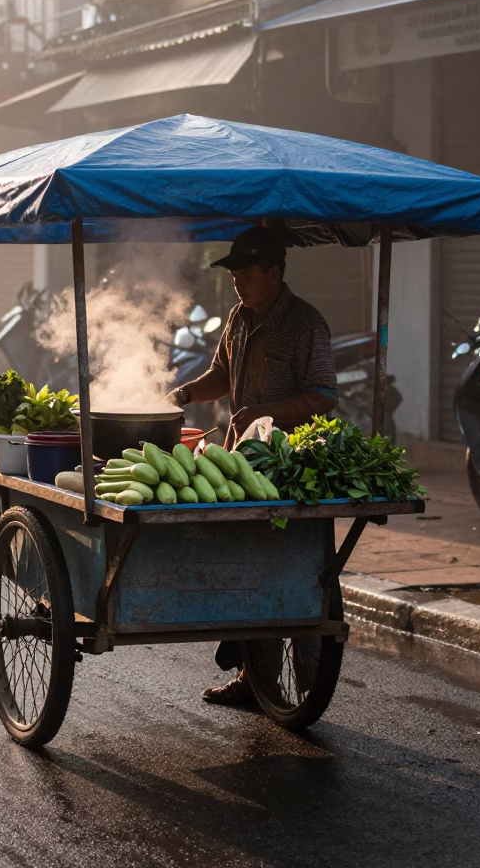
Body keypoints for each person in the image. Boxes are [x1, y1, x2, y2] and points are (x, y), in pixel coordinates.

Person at [167, 226, 338, 706]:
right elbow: (221, 375)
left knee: (298, 571)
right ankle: (251, 676)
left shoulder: (306, 324)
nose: (238, 284)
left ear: (275, 273)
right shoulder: (238, 318)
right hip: (245, 466)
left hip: (291, 465)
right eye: (235, 275)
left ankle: (307, 687)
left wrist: (267, 413)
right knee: (248, 564)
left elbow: (323, 396)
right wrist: (184, 392)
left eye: (246, 275)